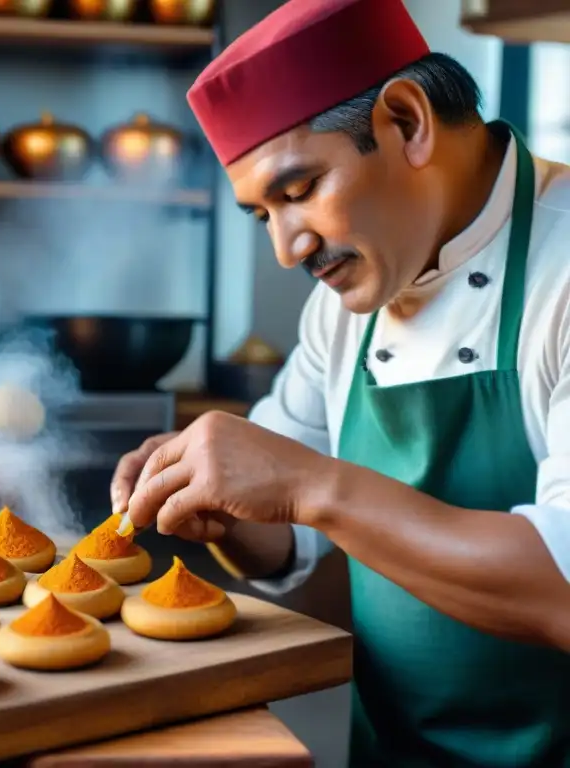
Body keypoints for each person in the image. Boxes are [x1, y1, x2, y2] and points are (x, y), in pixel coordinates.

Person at [113, 0, 570, 765]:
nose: (289, 250)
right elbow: (283, 533)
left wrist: (311, 486)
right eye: (262, 214)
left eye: (298, 191)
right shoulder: (353, 296)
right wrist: (217, 505)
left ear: (407, 120)